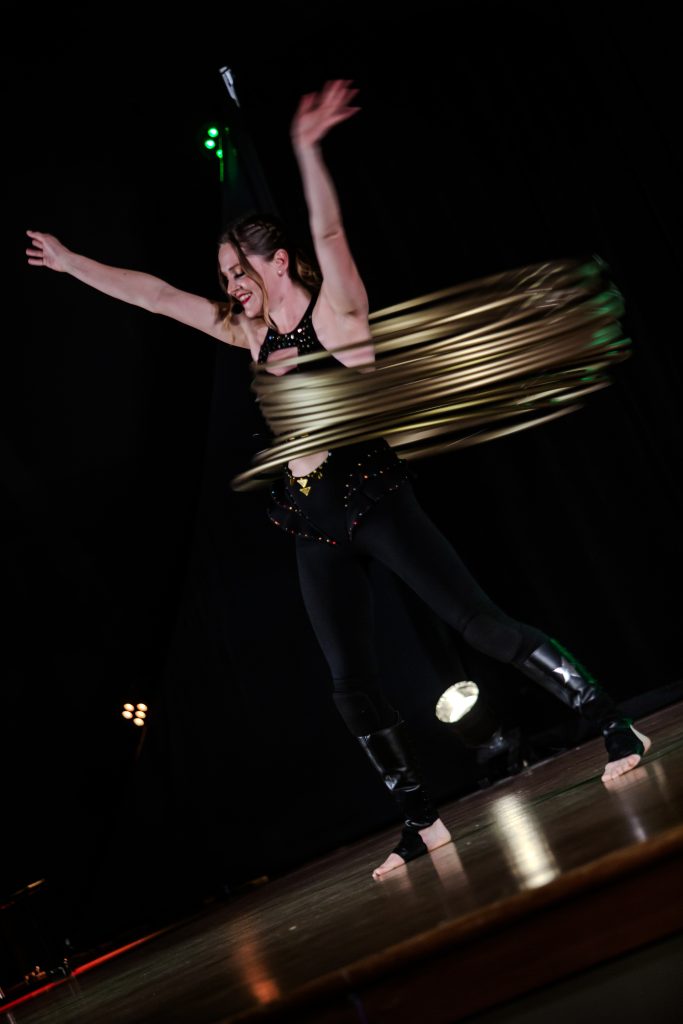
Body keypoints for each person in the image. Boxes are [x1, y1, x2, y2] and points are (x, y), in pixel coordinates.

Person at [27, 80, 651, 881]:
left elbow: (327, 228)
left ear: (277, 260)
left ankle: (612, 724)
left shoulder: (336, 317)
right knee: (348, 684)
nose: (230, 284)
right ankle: (420, 820)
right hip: (309, 521)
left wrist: (306, 149)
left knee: (479, 627)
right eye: (222, 273)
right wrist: (71, 262)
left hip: (372, 499)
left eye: (238, 269)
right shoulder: (247, 333)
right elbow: (153, 296)